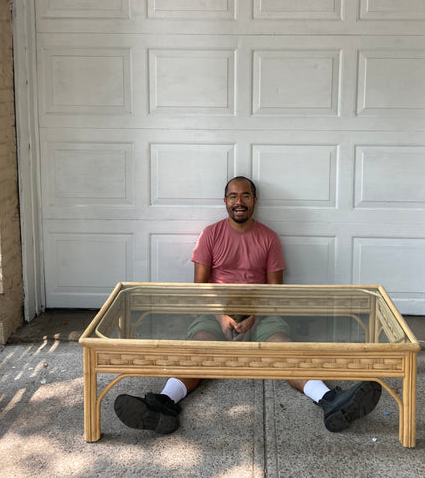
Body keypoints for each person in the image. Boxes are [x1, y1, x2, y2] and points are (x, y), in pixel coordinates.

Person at [114, 176, 382, 435]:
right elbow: (200, 288)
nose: (238, 201)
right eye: (233, 196)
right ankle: (163, 405)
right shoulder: (211, 234)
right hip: (216, 313)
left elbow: (275, 291)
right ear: (225, 201)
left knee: (284, 348)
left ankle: (330, 401)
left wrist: (254, 316)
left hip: (262, 314)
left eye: (245, 196)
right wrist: (221, 317)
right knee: (199, 346)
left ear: (255, 200)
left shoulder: (269, 237)